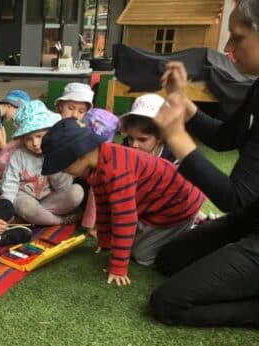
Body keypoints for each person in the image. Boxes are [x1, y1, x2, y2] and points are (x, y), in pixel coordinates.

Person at [148, 0, 259, 327]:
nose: (227, 47)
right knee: (168, 259)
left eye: (237, 37)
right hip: (252, 218)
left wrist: (177, 139)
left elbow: (235, 197)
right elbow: (226, 137)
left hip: (250, 218)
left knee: (167, 303)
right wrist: (183, 103)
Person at [41, 118, 204, 286]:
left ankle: (197, 229)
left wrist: (118, 267)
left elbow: (124, 220)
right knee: (128, 242)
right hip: (151, 206)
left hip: (179, 207)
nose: (62, 170)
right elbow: (103, 206)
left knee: (142, 256)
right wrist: (105, 241)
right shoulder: (99, 162)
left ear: (81, 154)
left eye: (62, 164)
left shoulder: (117, 172)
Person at [2, 100, 84, 226]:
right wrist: (6, 210)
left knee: (76, 192)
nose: (35, 143)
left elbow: (63, 187)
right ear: (22, 140)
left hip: (49, 199)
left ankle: (39, 217)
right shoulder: (18, 154)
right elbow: (10, 183)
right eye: (29, 139)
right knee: (26, 206)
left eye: (40, 136)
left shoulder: (56, 152)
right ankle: (60, 220)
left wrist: (53, 162)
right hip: (25, 197)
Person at [121, 93, 176, 163]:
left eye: (142, 139)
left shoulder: (172, 158)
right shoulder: (124, 149)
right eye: (130, 138)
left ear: (160, 136)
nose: (134, 145)